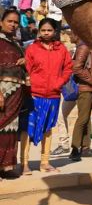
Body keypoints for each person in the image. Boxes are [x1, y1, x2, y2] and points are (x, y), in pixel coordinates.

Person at [19, 18, 73, 173]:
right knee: (27, 129)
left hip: (53, 95)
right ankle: (24, 164)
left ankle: (45, 162)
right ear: (39, 31)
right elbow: (27, 68)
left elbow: (68, 68)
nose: (46, 33)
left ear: (55, 31)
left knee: (48, 128)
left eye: (49, 30)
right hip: (34, 94)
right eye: (43, 30)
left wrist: (59, 82)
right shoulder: (32, 49)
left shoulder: (61, 49)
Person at [0, 9, 28, 178]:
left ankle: (5, 167)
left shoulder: (17, 44)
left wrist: (25, 60)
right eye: (9, 21)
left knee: (10, 129)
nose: (13, 25)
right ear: (1, 22)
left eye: (16, 22)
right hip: (2, 90)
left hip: (16, 92)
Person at [68, 39, 92, 161]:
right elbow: (76, 68)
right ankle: (75, 149)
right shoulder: (85, 46)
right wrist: (91, 79)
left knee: (85, 118)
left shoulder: (89, 45)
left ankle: (85, 147)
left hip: (88, 87)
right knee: (82, 119)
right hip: (85, 87)